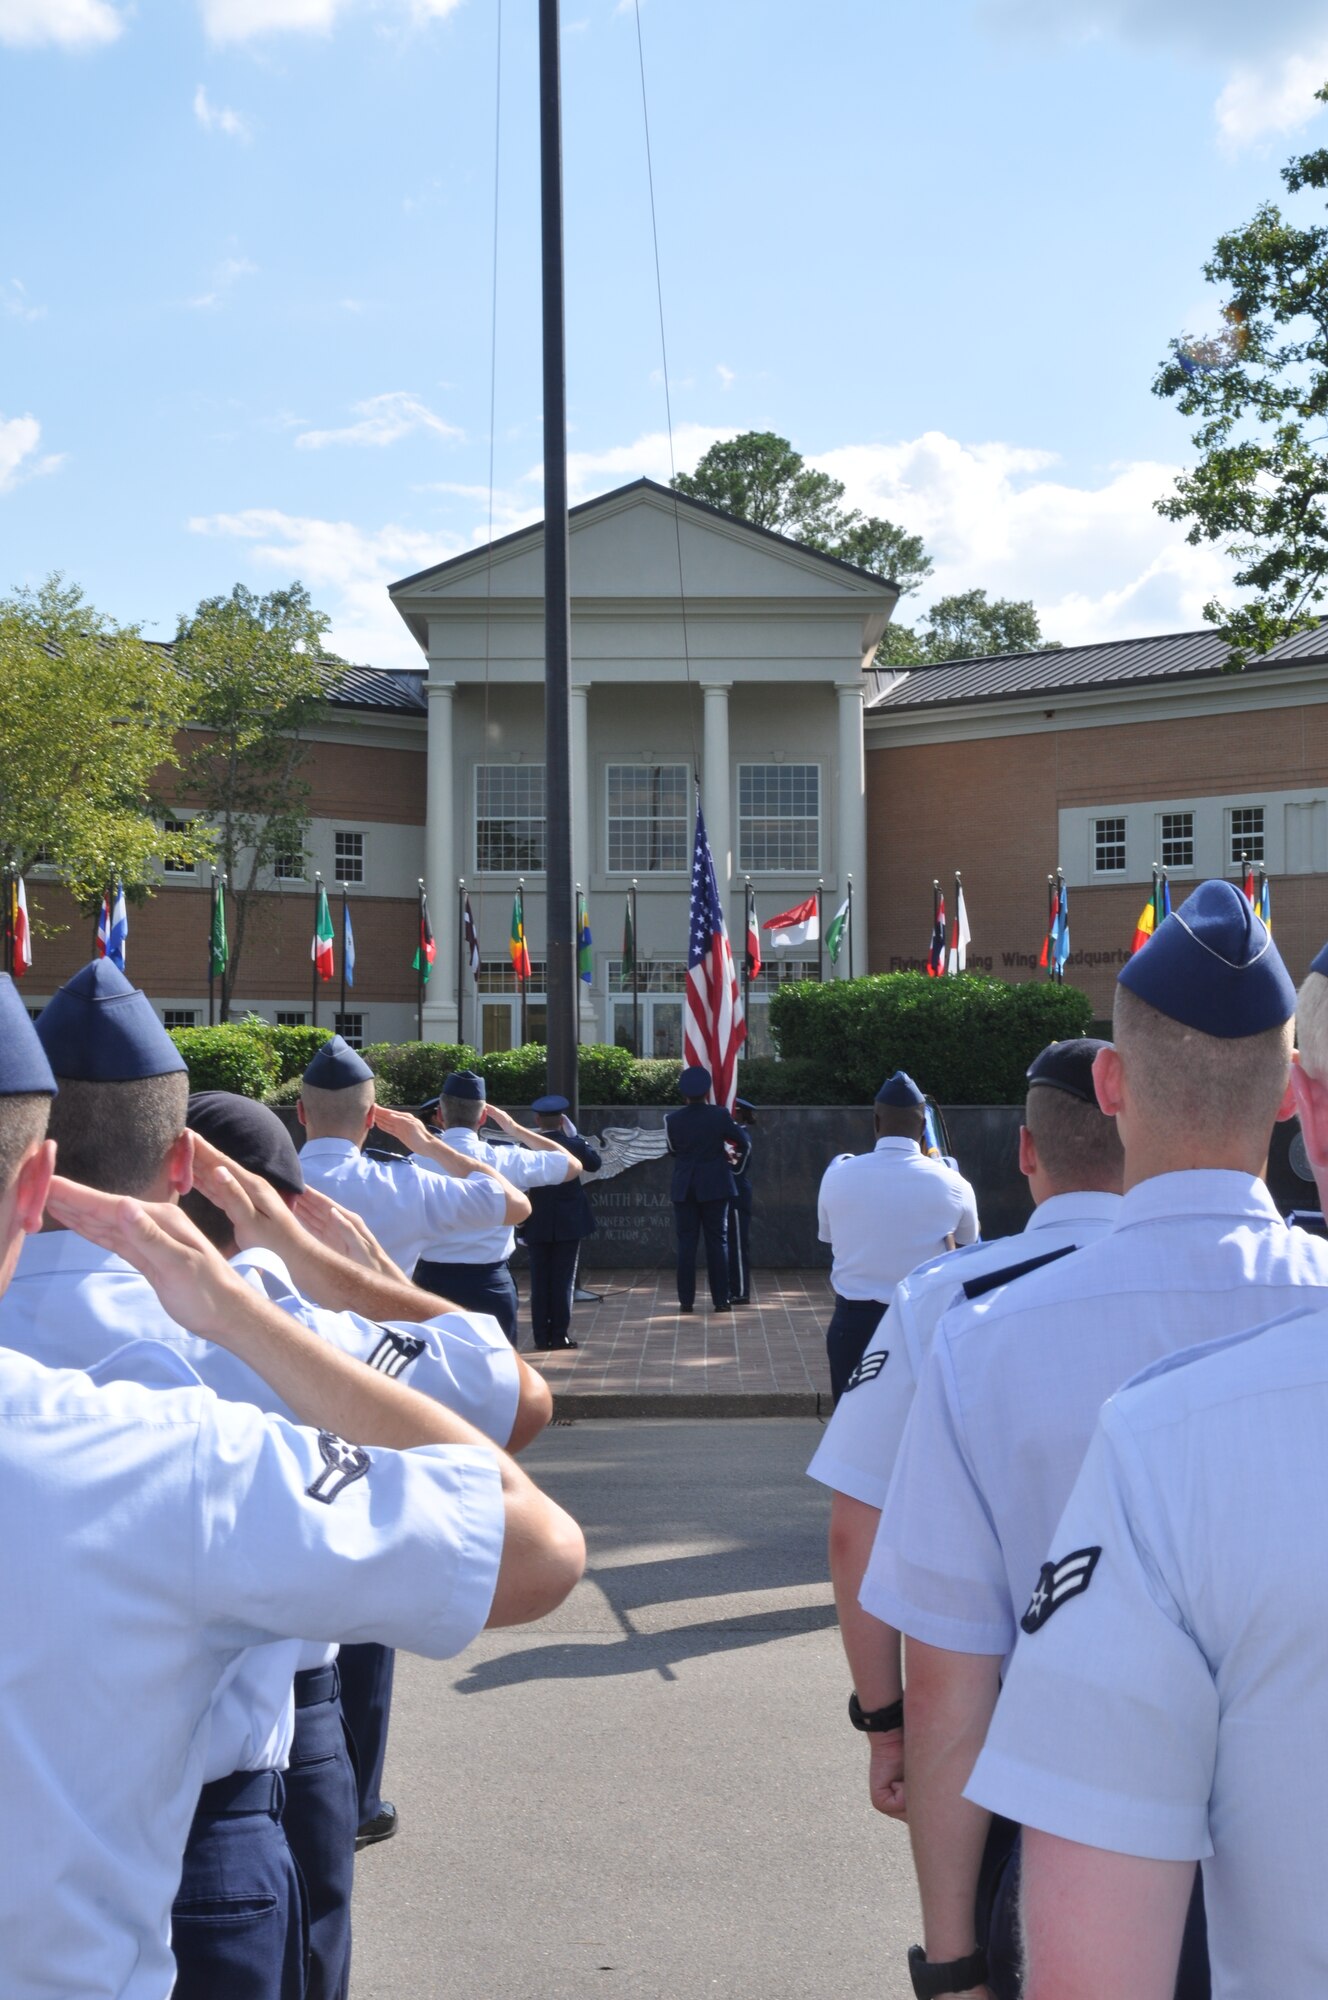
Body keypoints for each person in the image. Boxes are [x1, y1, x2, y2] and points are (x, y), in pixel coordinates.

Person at [0, 968, 585, 2000]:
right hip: (211, 1832)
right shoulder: (177, 1432)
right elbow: (524, 1483)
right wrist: (270, 1299)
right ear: (180, 1164)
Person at [863, 879, 1328, 2000]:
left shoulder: (982, 1340)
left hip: (1075, 1845)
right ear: (1283, 1100)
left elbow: (946, 1682)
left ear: (1110, 1082)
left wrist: (955, 1956)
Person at [806, 1038, 1124, 1822]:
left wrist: (886, 1724)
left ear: (1026, 1147)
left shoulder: (860, 1199)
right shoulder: (947, 1181)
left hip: (1001, 1716)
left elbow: (856, 1529)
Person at [295, 1035, 533, 1279]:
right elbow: (516, 1205)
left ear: (301, 1112)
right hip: (386, 1316)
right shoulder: (408, 1183)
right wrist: (431, 1145)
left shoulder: (263, 1186)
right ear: (371, 1117)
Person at [817, 1070, 979, 1405]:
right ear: (923, 1129)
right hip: (922, 1324)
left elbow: (830, 1238)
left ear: (876, 1122)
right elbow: (969, 1243)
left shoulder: (837, 1176)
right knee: (919, 1439)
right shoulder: (955, 1183)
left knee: (852, 1441)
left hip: (855, 1325)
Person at [410, 1070, 584, 1341]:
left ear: (440, 1116)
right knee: (498, 1376)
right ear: (482, 1117)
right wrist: (515, 1129)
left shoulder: (413, 1162)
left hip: (431, 1281)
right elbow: (572, 1165)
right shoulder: (506, 1157)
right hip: (489, 1283)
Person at [520, 1093, 601, 1351]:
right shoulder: (573, 1145)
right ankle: (559, 1335)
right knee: (563, 1279)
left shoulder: (527, 1146)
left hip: (537, 1221)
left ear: (537, 1119)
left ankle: (540, 1336)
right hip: (568, 1222)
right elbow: (594, 1163)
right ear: (562, 1121)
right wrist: (575, 1138)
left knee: (539, 1280)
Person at [664, 1065, 746, 1314]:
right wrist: (734, 1164)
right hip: (716, 1185)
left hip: (685, 1187)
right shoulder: (720, 1115)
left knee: (687, 1244)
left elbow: (672, 1150)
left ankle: (686, 1301)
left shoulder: (672, 1119)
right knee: (717, 1242)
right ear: (707, 1091)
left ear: (684, 1093)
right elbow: (742, 1141)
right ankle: (721, 1299)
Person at [726, 1097, 756, 1305]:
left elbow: (736, 1168)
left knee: (737, 1244)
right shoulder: (734, 1136)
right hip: (730, 1193)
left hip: (736, 1194)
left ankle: (741, 1291)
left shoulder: (740, 1137)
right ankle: (733, 1288)